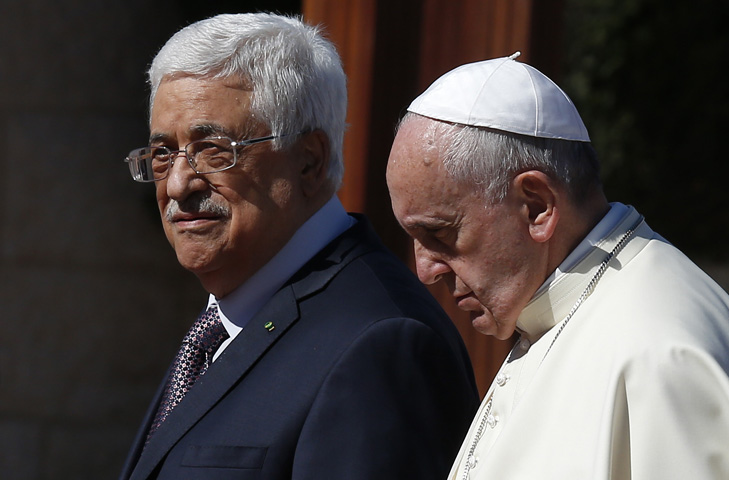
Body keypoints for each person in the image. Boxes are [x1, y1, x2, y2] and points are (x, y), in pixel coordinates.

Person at [119, 13, 479, 480]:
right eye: (164, 153)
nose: (179, 183)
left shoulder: (380, 345)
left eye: (213, 149)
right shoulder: (223, 324)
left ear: (309, 161)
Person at [386, 53, 729, 479]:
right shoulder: (552, 312)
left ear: (537, 206)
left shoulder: (657, 355)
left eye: (440, 235)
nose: (426, 271)